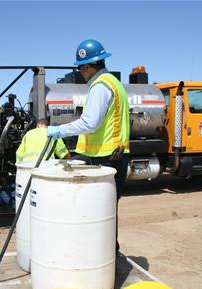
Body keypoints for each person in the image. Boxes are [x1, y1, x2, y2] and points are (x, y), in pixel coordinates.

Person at [46, 39, 130, 251]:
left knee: (101, 210)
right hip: (115, 155)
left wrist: (59, 131)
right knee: (106, 209)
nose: (81, 73)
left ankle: (106, 254)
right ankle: (107, 251)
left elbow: (89, 123)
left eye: (81, 68)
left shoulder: (101, 86)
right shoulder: (114, 83)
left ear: (87, 66)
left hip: (106, 157)